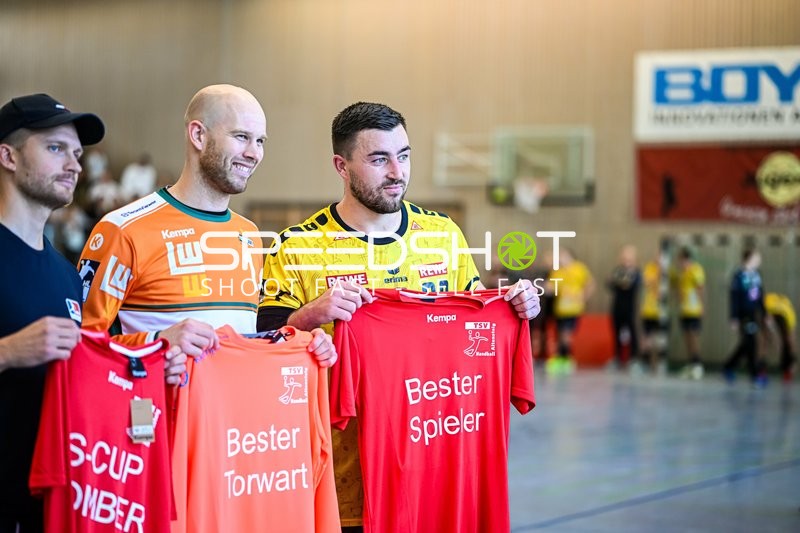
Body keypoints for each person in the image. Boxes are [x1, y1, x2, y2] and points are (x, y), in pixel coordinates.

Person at [257, 101, 541, 531]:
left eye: (404, 155)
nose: (397, 172)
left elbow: (475, 326)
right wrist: (310, 316)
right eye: (379, 159)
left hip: (439, 471)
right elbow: (262, 350)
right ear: (342, 165)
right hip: (342, 481)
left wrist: (515, 306)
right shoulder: (296, 245)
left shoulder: (443, 235)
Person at [79, 84, 336, 389]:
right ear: (198, 135)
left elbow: (244, 341)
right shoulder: (123, 229)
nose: (254, 153)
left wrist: (299, 340)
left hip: (235, 428)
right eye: (241, 137)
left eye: (260, 141)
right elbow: (82, 344)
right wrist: (156, 344)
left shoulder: (249, 235)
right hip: (157, 429)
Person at [0, 93, 105, 532]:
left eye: (77, 154)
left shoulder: (66, 274)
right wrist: (6, 352)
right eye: (55, 148)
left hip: (48, 505)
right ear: (7, 155)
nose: (75, 166)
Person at [546, 248, 595, 375]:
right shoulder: (557, 272)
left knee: (566, 334)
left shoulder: (579, 268)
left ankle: (567, 358)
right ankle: (561, 358)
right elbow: (551, 288)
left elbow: (590, 284)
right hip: (560, 309)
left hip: (573, 309)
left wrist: (583, 297)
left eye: (563, 255)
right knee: (560, 334)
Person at [724, 249, 767, 387]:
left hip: (753, 313)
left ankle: (729, 366)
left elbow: (760, 296)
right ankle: (754, 375)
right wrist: (734, 317)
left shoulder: (756, 276)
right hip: (743, 314)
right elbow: (734, 297)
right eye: (756, 257)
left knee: (747, 343)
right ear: (748, 259)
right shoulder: (739, 276)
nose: (759, 260)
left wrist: (765, 314)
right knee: (751, 343)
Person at [606, 245, 641, 372]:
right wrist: (619, 282)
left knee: (631, 332)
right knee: (616, 332)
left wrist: (621, 283)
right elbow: (610, 283)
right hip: (617, 307)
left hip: (629, 308)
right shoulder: (618, 271)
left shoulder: (636, 272)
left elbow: (631, 285)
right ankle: (617, 358)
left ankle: (634, 359)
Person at [673, 246, 706, 380]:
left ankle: (698, 364)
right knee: (686, 337)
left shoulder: (696, 270)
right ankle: (691, 363)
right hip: (684, 309)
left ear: (686, 258)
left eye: (680, 259)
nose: (679, 263)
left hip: (694, 309)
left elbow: (701, 289)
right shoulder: (681, 273)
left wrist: (702, 306)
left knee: (693, 336)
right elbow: (679, 289)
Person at [640, 242, 672, 375]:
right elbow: (647, 282)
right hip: (649, 309)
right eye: (658, 255)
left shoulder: (669, 270)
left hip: (663, 311)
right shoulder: (650, 268)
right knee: (648, 338)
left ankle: (660, 363)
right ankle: (645, 363)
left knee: (661, 339)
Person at [764, 292, 797, 382]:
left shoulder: (790, 318)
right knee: (767, 340)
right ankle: (762, 367)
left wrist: (792, 360)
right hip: (770, 307)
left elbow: (791, 340)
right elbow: (769, 334)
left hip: (784, 311)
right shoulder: (768, 306)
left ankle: (788, 367)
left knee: (789, 343)